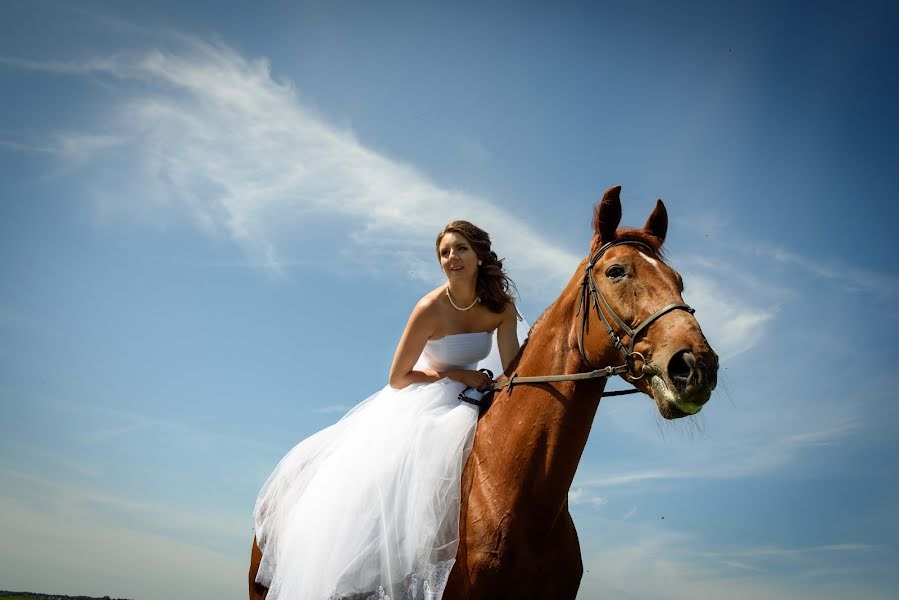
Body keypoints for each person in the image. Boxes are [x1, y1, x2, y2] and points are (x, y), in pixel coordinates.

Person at [253, 220, 521, 600]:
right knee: (400, 487)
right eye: (444, 252)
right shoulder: (430, 308)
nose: (451, 258)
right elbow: (398, 377)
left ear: (479, 255)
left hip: (476, 394)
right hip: (424, 399)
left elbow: (512, 366)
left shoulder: (501, 307)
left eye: (460, 248)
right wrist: (459, 373)